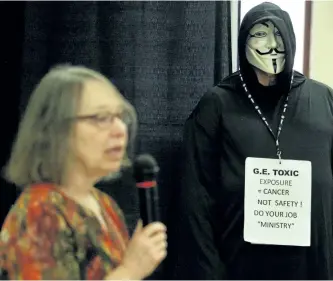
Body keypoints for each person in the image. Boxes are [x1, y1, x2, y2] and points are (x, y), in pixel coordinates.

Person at [174, 2, 333, 280]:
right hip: (241, 266)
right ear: (243, 41)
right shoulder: (218, 104)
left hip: (314, 267)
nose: (272, 45)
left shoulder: (323, 101)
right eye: (259, 34)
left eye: (278, 34)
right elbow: (195, 199)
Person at [0, 65, 167, 280]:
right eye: (101, 118)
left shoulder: (104, 204)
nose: (120, 130)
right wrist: (131, 270)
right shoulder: (41, 212)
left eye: (121, 117)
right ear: (56, 130)